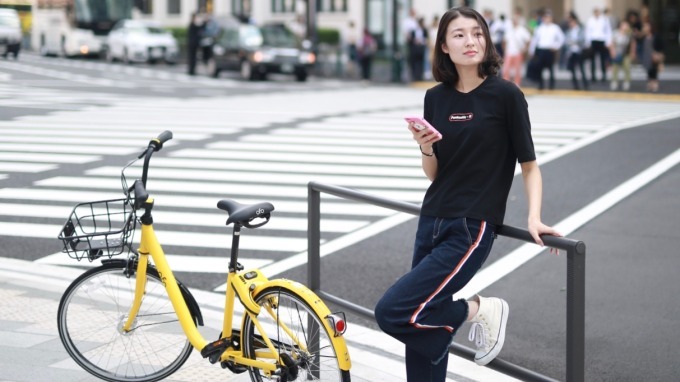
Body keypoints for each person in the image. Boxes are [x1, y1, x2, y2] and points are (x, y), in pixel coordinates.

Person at [374, 7, 560, 382]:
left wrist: (534, 217)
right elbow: (435, 173)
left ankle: (478, 309)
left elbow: (529, 165)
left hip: (471, 226)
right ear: (444, 45)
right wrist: (425, 147)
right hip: (431, 220)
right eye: (459, 35)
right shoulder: (435, 98)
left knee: (393, 311)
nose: (470, 41)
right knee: (423, 316)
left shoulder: (505, 95)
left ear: (486, 40)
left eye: (477, 33)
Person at [528, 10, 565, 90]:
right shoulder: (539, 28)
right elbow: (535, 40)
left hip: (549, 50)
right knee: (540, 68)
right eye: (545, 18)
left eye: (548, 17)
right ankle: (541, 85)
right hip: (541, 50)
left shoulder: (555, 28)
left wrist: (556, 46)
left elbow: (561, 39)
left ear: (551, 18)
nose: (546, 19)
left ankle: (551, 86)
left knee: (551, 68)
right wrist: (532, 51)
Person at [502, 10, 532, 86]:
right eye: (513, 20)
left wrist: (525, 49)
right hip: (509, 52)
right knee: (506, 69)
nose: (514, 21)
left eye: (516, 20)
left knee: (517, 69)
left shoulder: (522, 30)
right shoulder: (509, 30)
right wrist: (505, 49)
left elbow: (528, 40)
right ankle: (506, 84)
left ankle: (517, 84)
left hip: (518, 52)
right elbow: (504, 41)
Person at [585, 7, 613, 82]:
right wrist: (588, 42)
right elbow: (588, 32)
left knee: (602, 59)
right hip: (593, 41)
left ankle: (604, 76)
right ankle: (593, 76)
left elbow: (608, 31)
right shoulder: (590, 20)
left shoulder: (604, 20)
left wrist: (608, 41)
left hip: (601, 40)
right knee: (592, 60)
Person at [564, 13, 589, 90]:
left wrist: (574, 42)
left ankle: (585, 85)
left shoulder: (580, 30)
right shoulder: (568, 31)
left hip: (579, 51)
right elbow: (566, 41)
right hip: (572, 52)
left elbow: (582, 40)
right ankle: (576, 85)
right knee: (572, 69)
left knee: (581, 69)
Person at [609, 20, 635, 91]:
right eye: (625, 25)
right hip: (617, 53)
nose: (626, 27)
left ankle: (626, 81)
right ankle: (614, 81)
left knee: (627, 67)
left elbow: (633, 44)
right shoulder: (616, 33)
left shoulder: (629, 34)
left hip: (626, 53)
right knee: (615, 68)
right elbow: (612, 43)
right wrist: (613, 52)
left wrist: (632, 52)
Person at [640, 22, 664, 92]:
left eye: (647, 26)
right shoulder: (644, 36)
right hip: (646, 55)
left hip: (654, 55)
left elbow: (661, 46)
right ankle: (650, 83)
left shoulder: (656, 36)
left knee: (654, 70)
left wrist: (659, 54)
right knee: (648, 70)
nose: (645, 28)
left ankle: (654, 84)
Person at [407, 17, 429, 81]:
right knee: (414, 62)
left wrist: (421, 41)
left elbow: (426, 39)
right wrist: (414, 41)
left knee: (421, 63)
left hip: (421, 48)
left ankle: (420, 76)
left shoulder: (424, 30)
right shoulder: (413, 31)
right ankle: (414, 76)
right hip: (415, 49)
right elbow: (410, 40)